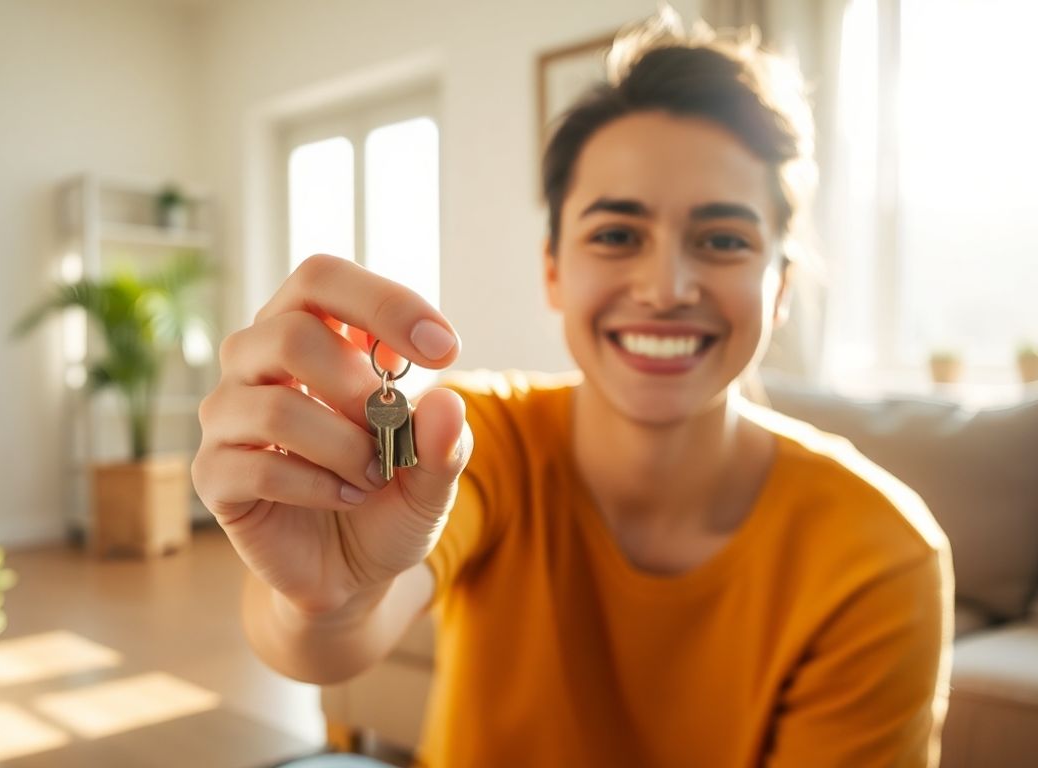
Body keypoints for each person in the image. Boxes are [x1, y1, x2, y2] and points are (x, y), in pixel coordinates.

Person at [193, 10, 952, 767]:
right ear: (553, 268)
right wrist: (327, 601)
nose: (665, 288)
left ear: (781, 288)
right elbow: (330, 638)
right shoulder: (479, 441)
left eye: (723, 240)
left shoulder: (881, 554)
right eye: (617, 235)